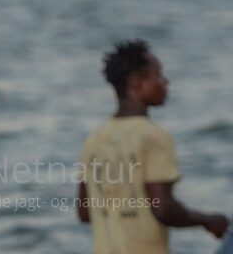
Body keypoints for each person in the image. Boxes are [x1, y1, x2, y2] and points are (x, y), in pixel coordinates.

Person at [77, 39, 228, 253]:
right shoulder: (152, 135)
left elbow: (84, 212)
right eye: (158, 75)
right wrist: (208, 220)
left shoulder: (93, 139)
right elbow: (162, 209)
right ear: (137, 83)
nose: (165, 83)